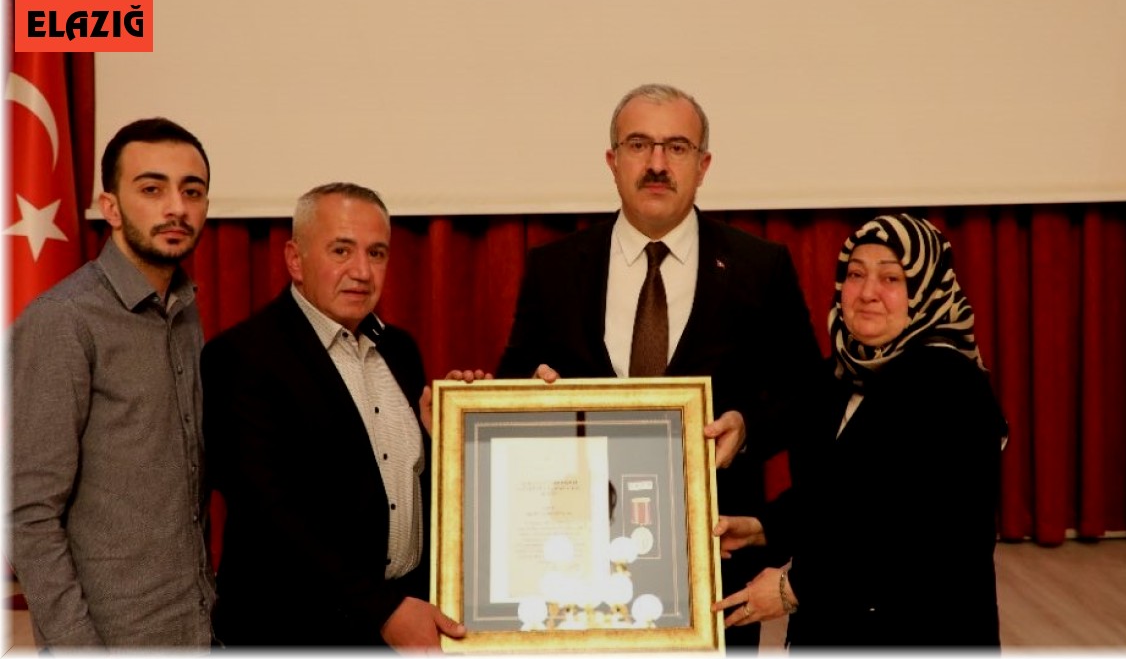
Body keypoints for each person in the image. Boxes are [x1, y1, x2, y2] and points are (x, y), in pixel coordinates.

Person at [496, 83, 827, 648]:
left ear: (703, 165)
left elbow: (805, 396)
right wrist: (530, 396)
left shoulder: (759, 266)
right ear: (612, 161)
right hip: (575, 556)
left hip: (712, 554)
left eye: (676, 147)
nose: (656, 164)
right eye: (638, 145)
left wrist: (747, 427)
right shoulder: (555, 269)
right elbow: (514, 383)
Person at [712, 213, 1006, 649]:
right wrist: (762, 527)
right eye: (855, 274)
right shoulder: (838, 374)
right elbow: (832, 494)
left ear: (926, 292)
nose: (868, 293)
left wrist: (795, 588)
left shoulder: (953, 387)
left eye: (891, 278)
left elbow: (923, 534)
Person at [200, 182, 466, 648]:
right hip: (294, 635)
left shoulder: (399, 350)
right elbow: (271, 515)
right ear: (295, 259)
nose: (361, 271)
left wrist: (446, 439)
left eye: (376, 253)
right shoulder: (241, 356)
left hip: (401, 625)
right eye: (341, 250)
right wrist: (384, 611)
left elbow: (398, 488)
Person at [8, 118, 215, 647]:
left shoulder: (184, 310)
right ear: (112, 207)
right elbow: (28, 512)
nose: (176, 208)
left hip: (195, 626)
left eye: (192, 191)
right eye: (152, 189)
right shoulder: (64, 320)